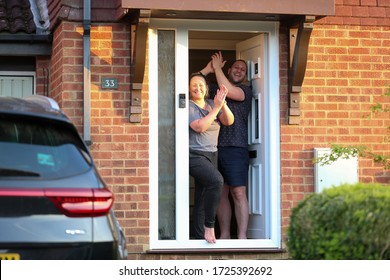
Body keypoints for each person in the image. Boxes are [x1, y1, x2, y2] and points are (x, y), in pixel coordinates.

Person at [199, 51, 252, 239]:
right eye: (236, 67)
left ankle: (243, 236)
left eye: (243, 70)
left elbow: (227, 89)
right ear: (229, 69)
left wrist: (218, 69)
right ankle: (226, 236)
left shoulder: (246, 90)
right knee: (221, 193)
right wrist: (209, 68)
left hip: (236, 147)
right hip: (214, 147)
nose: (239, 71)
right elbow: (194, 83)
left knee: (238, 192)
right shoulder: (213, 88)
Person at [189, 73, 234, 243]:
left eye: (201, 84)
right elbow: (199, 127)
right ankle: (209, 226)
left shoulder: (210, 104)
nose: (198, 88)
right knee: (217, 181)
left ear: (207, 88)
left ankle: (199, 237)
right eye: (194, 85)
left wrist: (222, 104)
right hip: (194, 155)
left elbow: (229, 121)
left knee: (202, 196)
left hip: (212, 154)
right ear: (189, 88)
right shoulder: (188, 106)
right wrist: (216, 108)